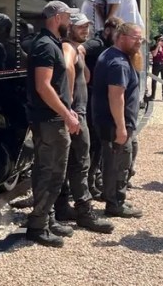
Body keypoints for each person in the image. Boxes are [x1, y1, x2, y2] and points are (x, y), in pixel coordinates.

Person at [24, 1, 82, 247]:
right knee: (51, 173)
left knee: (51, 171)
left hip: (52, 118)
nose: (70, 21)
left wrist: (68, 109)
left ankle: (47, 218)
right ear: (57, 17)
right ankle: (38, 226)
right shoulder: (46, 46)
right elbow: (43, 86)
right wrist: (66, 114)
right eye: (68, 17)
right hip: (50, 120)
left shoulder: (50, 43)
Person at [53, 12, 114, 234]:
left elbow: (85, 77)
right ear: (69, 28)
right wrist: (69, 106)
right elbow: (68, 68)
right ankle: (84, 212)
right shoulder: (67, 47)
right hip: (76, 113)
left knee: (71, 162)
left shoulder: (76, 48)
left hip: (77, 112)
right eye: (80, 26)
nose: (85, 30)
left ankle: (62, 206)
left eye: (87, 26)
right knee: (81, 162)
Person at [91, 21, 145, 219]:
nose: (139, 42)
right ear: (121, 37)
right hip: (114, 123)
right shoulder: (118, 63)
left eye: (141, 39)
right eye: (136, 38)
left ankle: (111, 196)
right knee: (119, 163)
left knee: (113, 161)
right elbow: (116, 96)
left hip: (108, 121)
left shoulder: (111, 55)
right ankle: (115, 203)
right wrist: (121, 127)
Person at [83, 17, 121, 199]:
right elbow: (80, 49)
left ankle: (93, 181)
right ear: (107, 31)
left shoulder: (107, 46)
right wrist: (85, 72)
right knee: (93, 144)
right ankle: (88, 184)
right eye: (117, 32)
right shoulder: (97, 43)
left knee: (97, 144)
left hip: (98, 99)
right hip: (91, 99)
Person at [149, 34, 163, 101]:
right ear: (157, 41)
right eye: (160, 40)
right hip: (156, 65)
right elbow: (154, 54)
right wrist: (157, 47)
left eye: (162, 40)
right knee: (154, 80)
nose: (162, 41)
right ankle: (153, 95)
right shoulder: (153, 47)